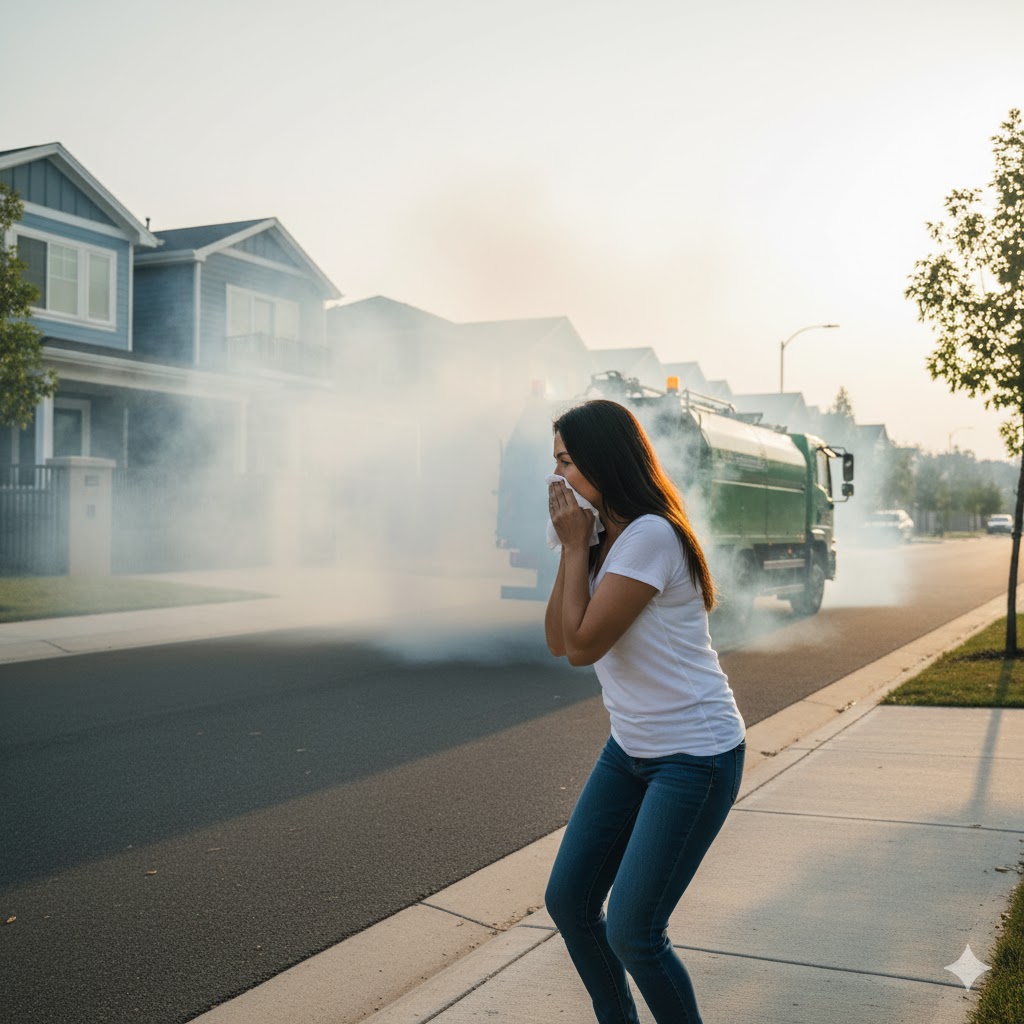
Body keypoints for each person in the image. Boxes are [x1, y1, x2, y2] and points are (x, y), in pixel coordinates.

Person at [543, 399, 746, 1024]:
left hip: (695, 757)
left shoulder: (651, 536)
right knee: (570, 901)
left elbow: (581, 647)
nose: (558, 480)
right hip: (631, 750)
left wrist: (577, 547)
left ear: (605, 461)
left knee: (635, 930)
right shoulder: (607, 540)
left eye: (570, 463)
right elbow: (558, 637)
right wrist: (573, 548)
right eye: (554, 463)